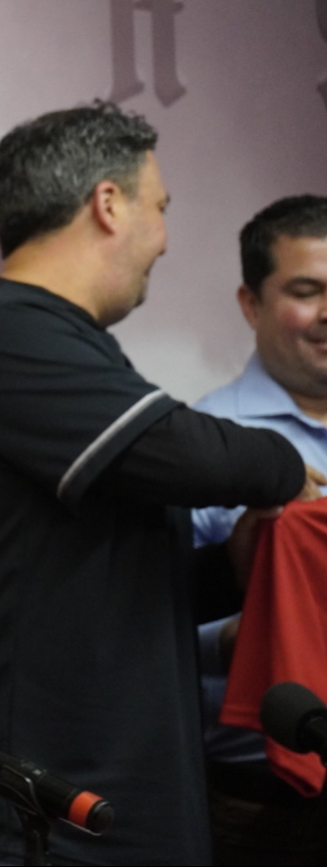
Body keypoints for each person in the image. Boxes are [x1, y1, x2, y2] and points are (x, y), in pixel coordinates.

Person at [0, 101, 309, 865]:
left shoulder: (53, 340)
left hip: (91, 809)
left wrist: (225, 573)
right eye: (161, 207)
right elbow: (184, 450)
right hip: (32, 818)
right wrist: (290, 469)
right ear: (108, 204)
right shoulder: (3, 331)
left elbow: (95, 579)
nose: (165, 238)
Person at [192, 194, 327, 865]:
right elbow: (137, 637)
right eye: (307, 291)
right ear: (251, 303)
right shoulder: (206, 448)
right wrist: (238, 640)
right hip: (259, 805)